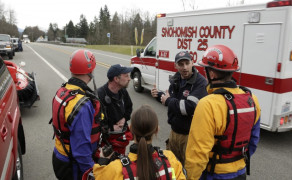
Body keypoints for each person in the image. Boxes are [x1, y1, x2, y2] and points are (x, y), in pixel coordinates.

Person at [185, 45, 261, 180]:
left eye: (205, 70)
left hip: (214, 175)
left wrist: (191, 178)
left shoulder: (207, 104)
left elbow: (197, 154)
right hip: (240, 172)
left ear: (212, 74)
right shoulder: (252, 99)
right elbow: (253, 141)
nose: (204, 73)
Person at [51, 49, 105, 180]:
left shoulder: (63, 91)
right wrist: (92, 173)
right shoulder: (83, 105)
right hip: (73, 165)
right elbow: (81, 150)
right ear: (90, 71)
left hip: (59, 154)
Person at [93, 105, 186, 180]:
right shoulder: (170, 159)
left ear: (131, 129)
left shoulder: (117, 169)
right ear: (156, 130)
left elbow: (100, 177)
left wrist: (102, 162)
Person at [151, 51, 207, 165]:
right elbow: (172, 100)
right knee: (172, 167)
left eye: (187, 63)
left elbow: (189, 107)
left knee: (188, 169)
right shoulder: (176, 80)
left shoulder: (200, 83)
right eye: (181, 64)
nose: (185, 67)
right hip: (174, 132)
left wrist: (168, 100)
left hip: (189, 136)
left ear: (192, 63)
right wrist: (159, 95)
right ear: (175, 66)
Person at [97, 64, 133, 155]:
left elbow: (129, 107)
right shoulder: (99, 95)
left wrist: (124, 118)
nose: (129, 79)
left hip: (121, 141)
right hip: (106, 143)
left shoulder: (123, 92)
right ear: (116, 79)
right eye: (126, 76)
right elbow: (95, 122)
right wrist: (111, 128)